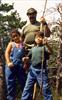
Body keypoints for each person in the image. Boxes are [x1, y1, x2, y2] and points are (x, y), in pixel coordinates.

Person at [21, 31, 53, 100]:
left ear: (43, 38)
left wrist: (47, 44)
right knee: (27, 87)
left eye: (40, 37)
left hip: (41, 71)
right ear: (35, 39)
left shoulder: (44, 47)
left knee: (45, 88)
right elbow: (29, 57)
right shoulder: (33, 48)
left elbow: (51, 52)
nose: (38, 38)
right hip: (32, 70)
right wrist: (25, 59)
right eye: (37, 37)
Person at [5, 29, 27, 100]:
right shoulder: (11, 44)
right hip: (11, 66)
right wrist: (8, 62)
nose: (15, 38)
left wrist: (25, 63)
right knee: (10, 83)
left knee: (23, 82)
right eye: (13, 36)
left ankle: (26, 98)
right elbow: (6, 53)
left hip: (20, 66)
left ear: (19, 35)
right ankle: (11, 98)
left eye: (16, 36)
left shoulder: (23, 44)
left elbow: (25, 55)